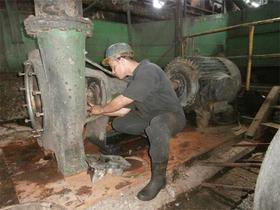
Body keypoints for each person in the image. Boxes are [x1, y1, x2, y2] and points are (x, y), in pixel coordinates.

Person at [89, 42, 186, 201]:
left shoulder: (149, 70)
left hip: (171, 117)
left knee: (158, 127)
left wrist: (100, 109)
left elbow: (122, 100)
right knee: (120, 124)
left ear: (121, 59)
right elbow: (123, 110)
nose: (113, 72)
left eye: (113, 66)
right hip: (150, 117)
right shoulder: (134, 81)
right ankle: (155, 138)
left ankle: (159, 179)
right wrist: (94, 114)